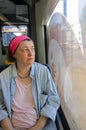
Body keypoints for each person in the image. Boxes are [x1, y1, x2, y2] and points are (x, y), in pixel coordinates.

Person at [0, 35, 60, 130]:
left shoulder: (43, 71)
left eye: (33, 49)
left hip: (42, 126)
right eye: (25, 50)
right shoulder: (3, 77)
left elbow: (53, 99)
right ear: (14, 54)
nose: (31, 53)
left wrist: (37, 127)